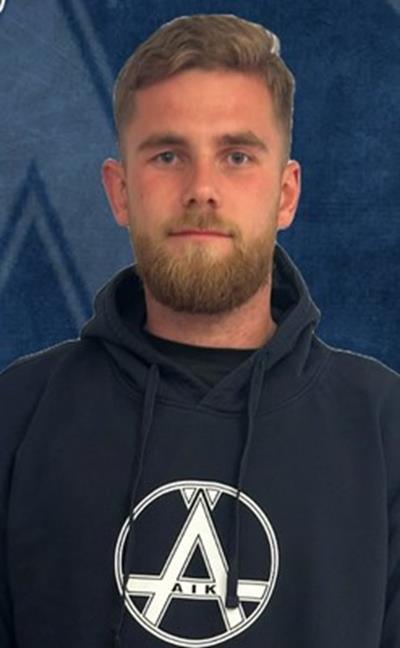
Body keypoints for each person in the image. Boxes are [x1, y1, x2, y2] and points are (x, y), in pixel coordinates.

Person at [1, 12, 399, 648]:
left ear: (286, 193)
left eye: (237, 156)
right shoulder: (17, 415)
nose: (202, 189)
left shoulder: (384, 429)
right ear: (120, 191)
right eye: (168, 155)